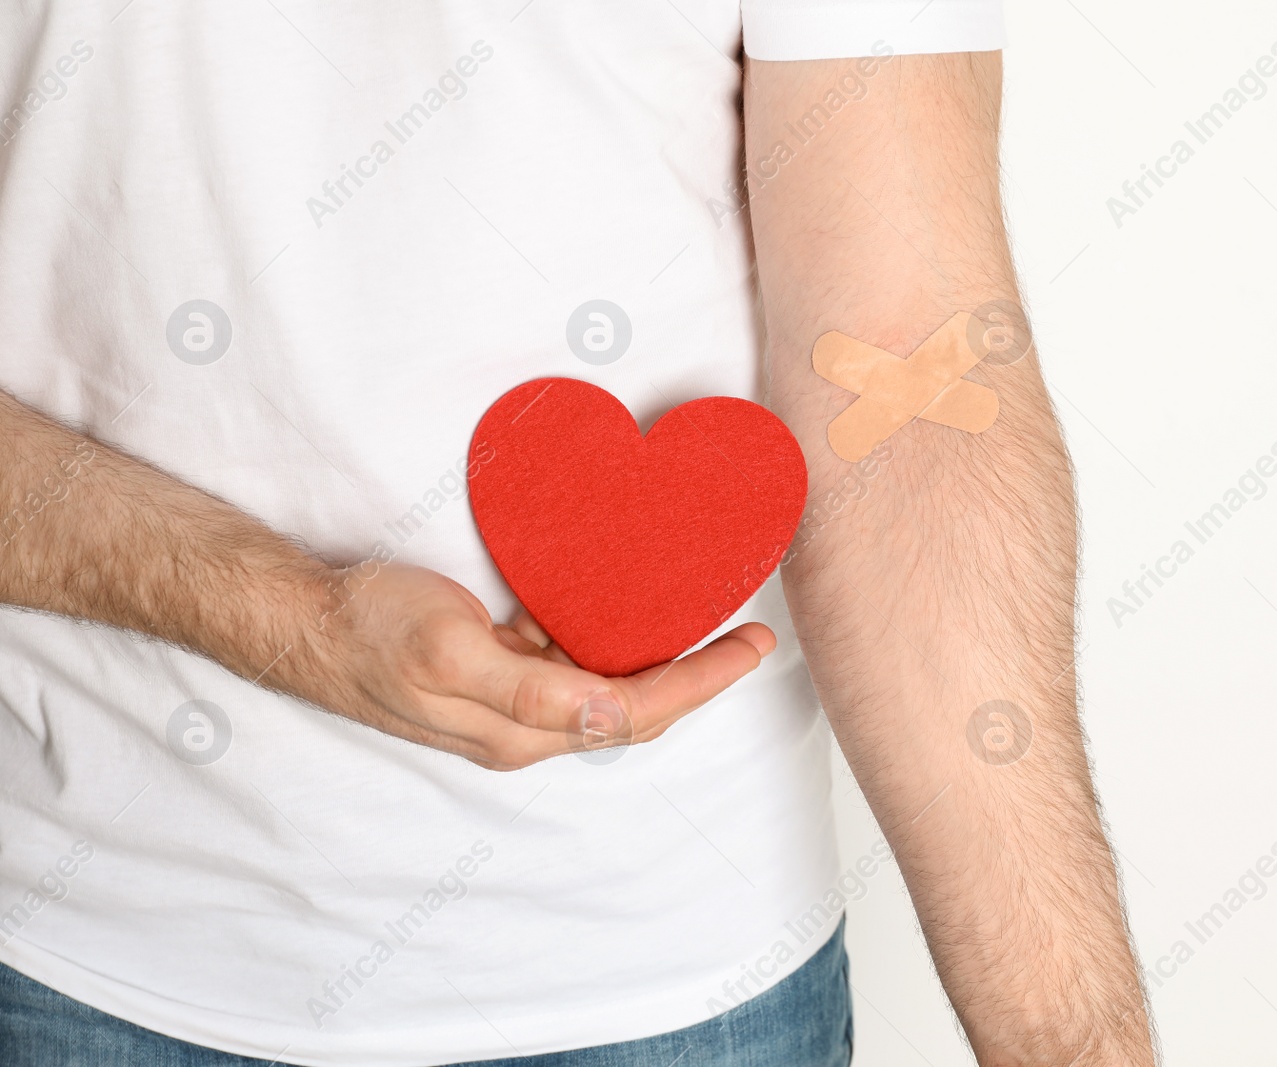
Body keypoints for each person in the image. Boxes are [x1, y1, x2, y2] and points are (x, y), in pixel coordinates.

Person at [0, 2, 1156, 1064]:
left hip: (682, 981)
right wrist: (290, 617)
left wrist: (1073, 1039)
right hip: (71, 949)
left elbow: (909, 395)